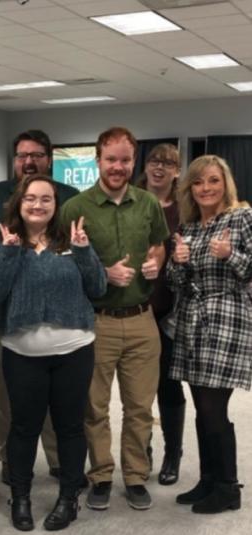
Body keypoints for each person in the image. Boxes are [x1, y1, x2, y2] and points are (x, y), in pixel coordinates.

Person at [0, 175, 106, 531]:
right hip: (22, 354)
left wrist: (84, 251)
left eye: (46, 199)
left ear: (56, 204)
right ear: (19, 202)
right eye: (31, 198)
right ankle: (20, 497)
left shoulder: (72, 239)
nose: (38, 205)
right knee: (23, 428)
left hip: (74, 350)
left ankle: (68, 499)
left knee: (69, 427)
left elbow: (97, 286)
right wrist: (7, 253)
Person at [60, 126, 169, 511]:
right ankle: (101, 475)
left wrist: (157, 260)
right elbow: (60, 263)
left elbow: (159, 243)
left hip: (142, 320)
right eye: (111, 159)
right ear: (98, 160)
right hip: (96, 321)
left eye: (125, 160)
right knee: (94, 407)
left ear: (133, 160)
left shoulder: (148, 204)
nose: (118, 167)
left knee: (140, 407)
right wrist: (101, 273)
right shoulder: (76, 208)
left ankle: (136, 476)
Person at [0, 130, 80, 484]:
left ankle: (56, 458)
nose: (29, 162)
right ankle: (10, 459)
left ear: (49, 159)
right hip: (2, 309)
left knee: (54, 390)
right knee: (3, 388)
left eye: (36, 155)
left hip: (53, 308)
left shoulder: (70, 198)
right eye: (22, 155)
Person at [167, 155, 251, 514]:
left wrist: (231, 255)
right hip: (192, 323)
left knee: (214, 407)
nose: (206, 189)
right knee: (203, 408)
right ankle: (208, 480)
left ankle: (228, 488)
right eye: (198, 183)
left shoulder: (240, 217)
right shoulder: (188, 228)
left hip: (227, 319)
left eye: (213, 181)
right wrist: (178, 262)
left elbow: (248, 271)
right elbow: (177, 284)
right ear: (190, 188)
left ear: (225, 183)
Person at [136, 144, 186, 485]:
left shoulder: (186, 209)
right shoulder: (132, 200)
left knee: (168, 386)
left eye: (168, 163)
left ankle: (173, 451)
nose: (160, 167)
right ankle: (143, 449)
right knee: (138, 391)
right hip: (135, 308)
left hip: (171, 311)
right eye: (154, 160)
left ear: (177, 171)